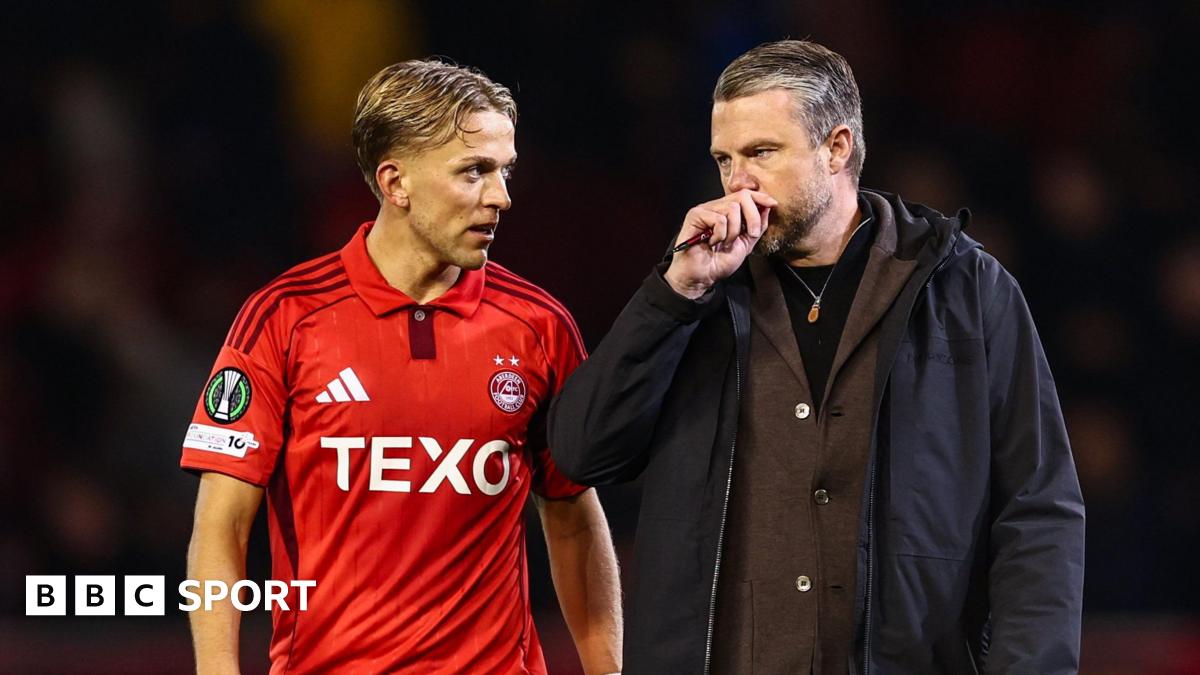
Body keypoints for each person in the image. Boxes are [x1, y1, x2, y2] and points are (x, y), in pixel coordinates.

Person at [549, 39, 1084, 674]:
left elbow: (1037, 508)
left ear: (836, 148)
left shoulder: (964, 289)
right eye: (724, 159)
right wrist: (673, 295)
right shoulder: (695, 293)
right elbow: (583, 452)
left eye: (761, 153)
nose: (737, 182)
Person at [182, 59, 622, 674]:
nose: (501, 197)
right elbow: (221, 529)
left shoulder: (540, 327)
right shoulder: (284, 318)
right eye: (474, 171)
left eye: (505, 171)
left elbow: (573, 518)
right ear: (395, 183)